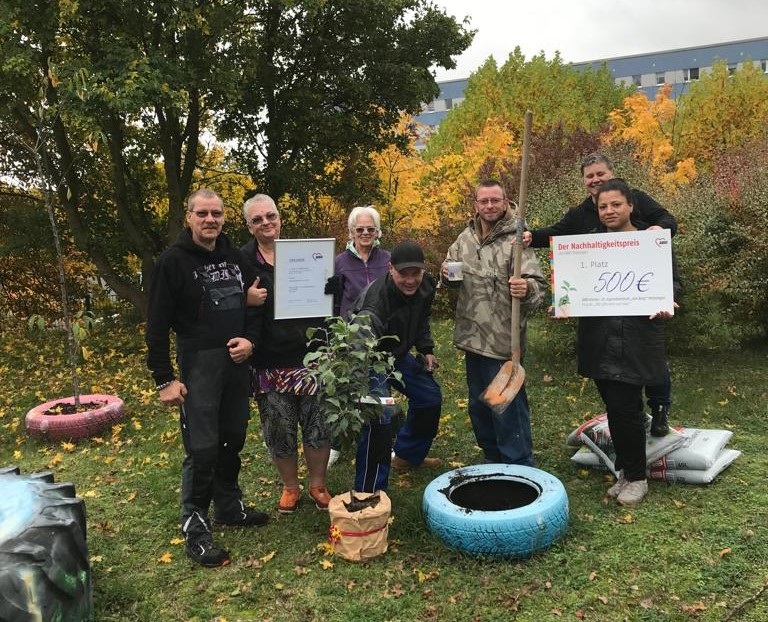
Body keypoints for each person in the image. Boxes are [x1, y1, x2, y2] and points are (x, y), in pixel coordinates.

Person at [145, 188, 269, 569]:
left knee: (233, 437)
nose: (210, 220)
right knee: (202, 448)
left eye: (216, 213)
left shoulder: (235, 257)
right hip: (198, 364)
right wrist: (164, 378)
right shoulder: (173, 262)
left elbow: (256, 301)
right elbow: (156, 323)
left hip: (235, 364)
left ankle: (229, 507)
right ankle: (196, 527)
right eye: (203, 213)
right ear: (189, 216)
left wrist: (250, 340)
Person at [524, 153, 677, 437]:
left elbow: (668, 224)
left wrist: (659, 232)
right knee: (609, 376)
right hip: (602, 309)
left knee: (651, 364)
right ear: (584, 181)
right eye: (589, 176)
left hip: (640, 300)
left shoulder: (637, 199)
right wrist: (531, 236)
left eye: (600, 174)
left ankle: (659, 409)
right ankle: (630, 419)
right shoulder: (580, 214)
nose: (595, 180)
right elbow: (557, 234)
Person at [580, 178, 682, 505]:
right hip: (599, 338)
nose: (609, 211)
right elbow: (577, 284)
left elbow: (673, 283)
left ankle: (637, 477)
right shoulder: (590, 246)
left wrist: (669, 302)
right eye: (603, 207)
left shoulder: (650, 242)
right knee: (614, 407)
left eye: (615, 205)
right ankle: (625, 472)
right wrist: (566, 300)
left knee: (627, 408)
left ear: (630, 207)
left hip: (635, 336)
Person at [442, 180, 548, 465]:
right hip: (471, 337)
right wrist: (444, 275)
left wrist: (526, 289)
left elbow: (539, 288)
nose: (489, 206)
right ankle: (492, 457)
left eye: (495, 201)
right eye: (484, 201)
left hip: (503, 341)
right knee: (479, 406)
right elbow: (450, 271)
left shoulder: (516, 241)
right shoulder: (465, 238)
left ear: (505, 201)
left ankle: (519, 465)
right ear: (475, 204)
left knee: (506, 407)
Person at [240, 193, 332, 514]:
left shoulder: (306, 254)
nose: (266, 223)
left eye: (271, 216)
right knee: (279, 427)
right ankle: (290, 487)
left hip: (312, 356)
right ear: (249, 226)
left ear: (280, 218)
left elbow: (330, 298)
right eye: (258, 219)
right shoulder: (243, 262)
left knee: (318, 423)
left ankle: (318, 484)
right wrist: (244, 298)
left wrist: (331, 288)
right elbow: (225, 304)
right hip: (269, 359)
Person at [349, 240, 443, 492]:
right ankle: (369, 490)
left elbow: (421, 318)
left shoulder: (427, 286)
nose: (411, 280)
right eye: (404, 274)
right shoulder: (375, 304)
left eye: (416, 273)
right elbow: (358, 348)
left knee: (430, 397)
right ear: (390, 269)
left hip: (399, 356)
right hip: (370, 359)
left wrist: (425, 349)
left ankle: (407, 455)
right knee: (379, 416)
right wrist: (365, 391)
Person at [324, 205, 392, 469]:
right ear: (351, 232)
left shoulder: (387, 259)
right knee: (342, 392)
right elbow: (328, 302)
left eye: (370, 229)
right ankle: (335, 444)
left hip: (380, 337)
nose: (365, 233)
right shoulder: (338, 262)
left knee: (380, 392)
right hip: (346, 336)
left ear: (378, 232)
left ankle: (386, 441)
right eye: (359, 229)